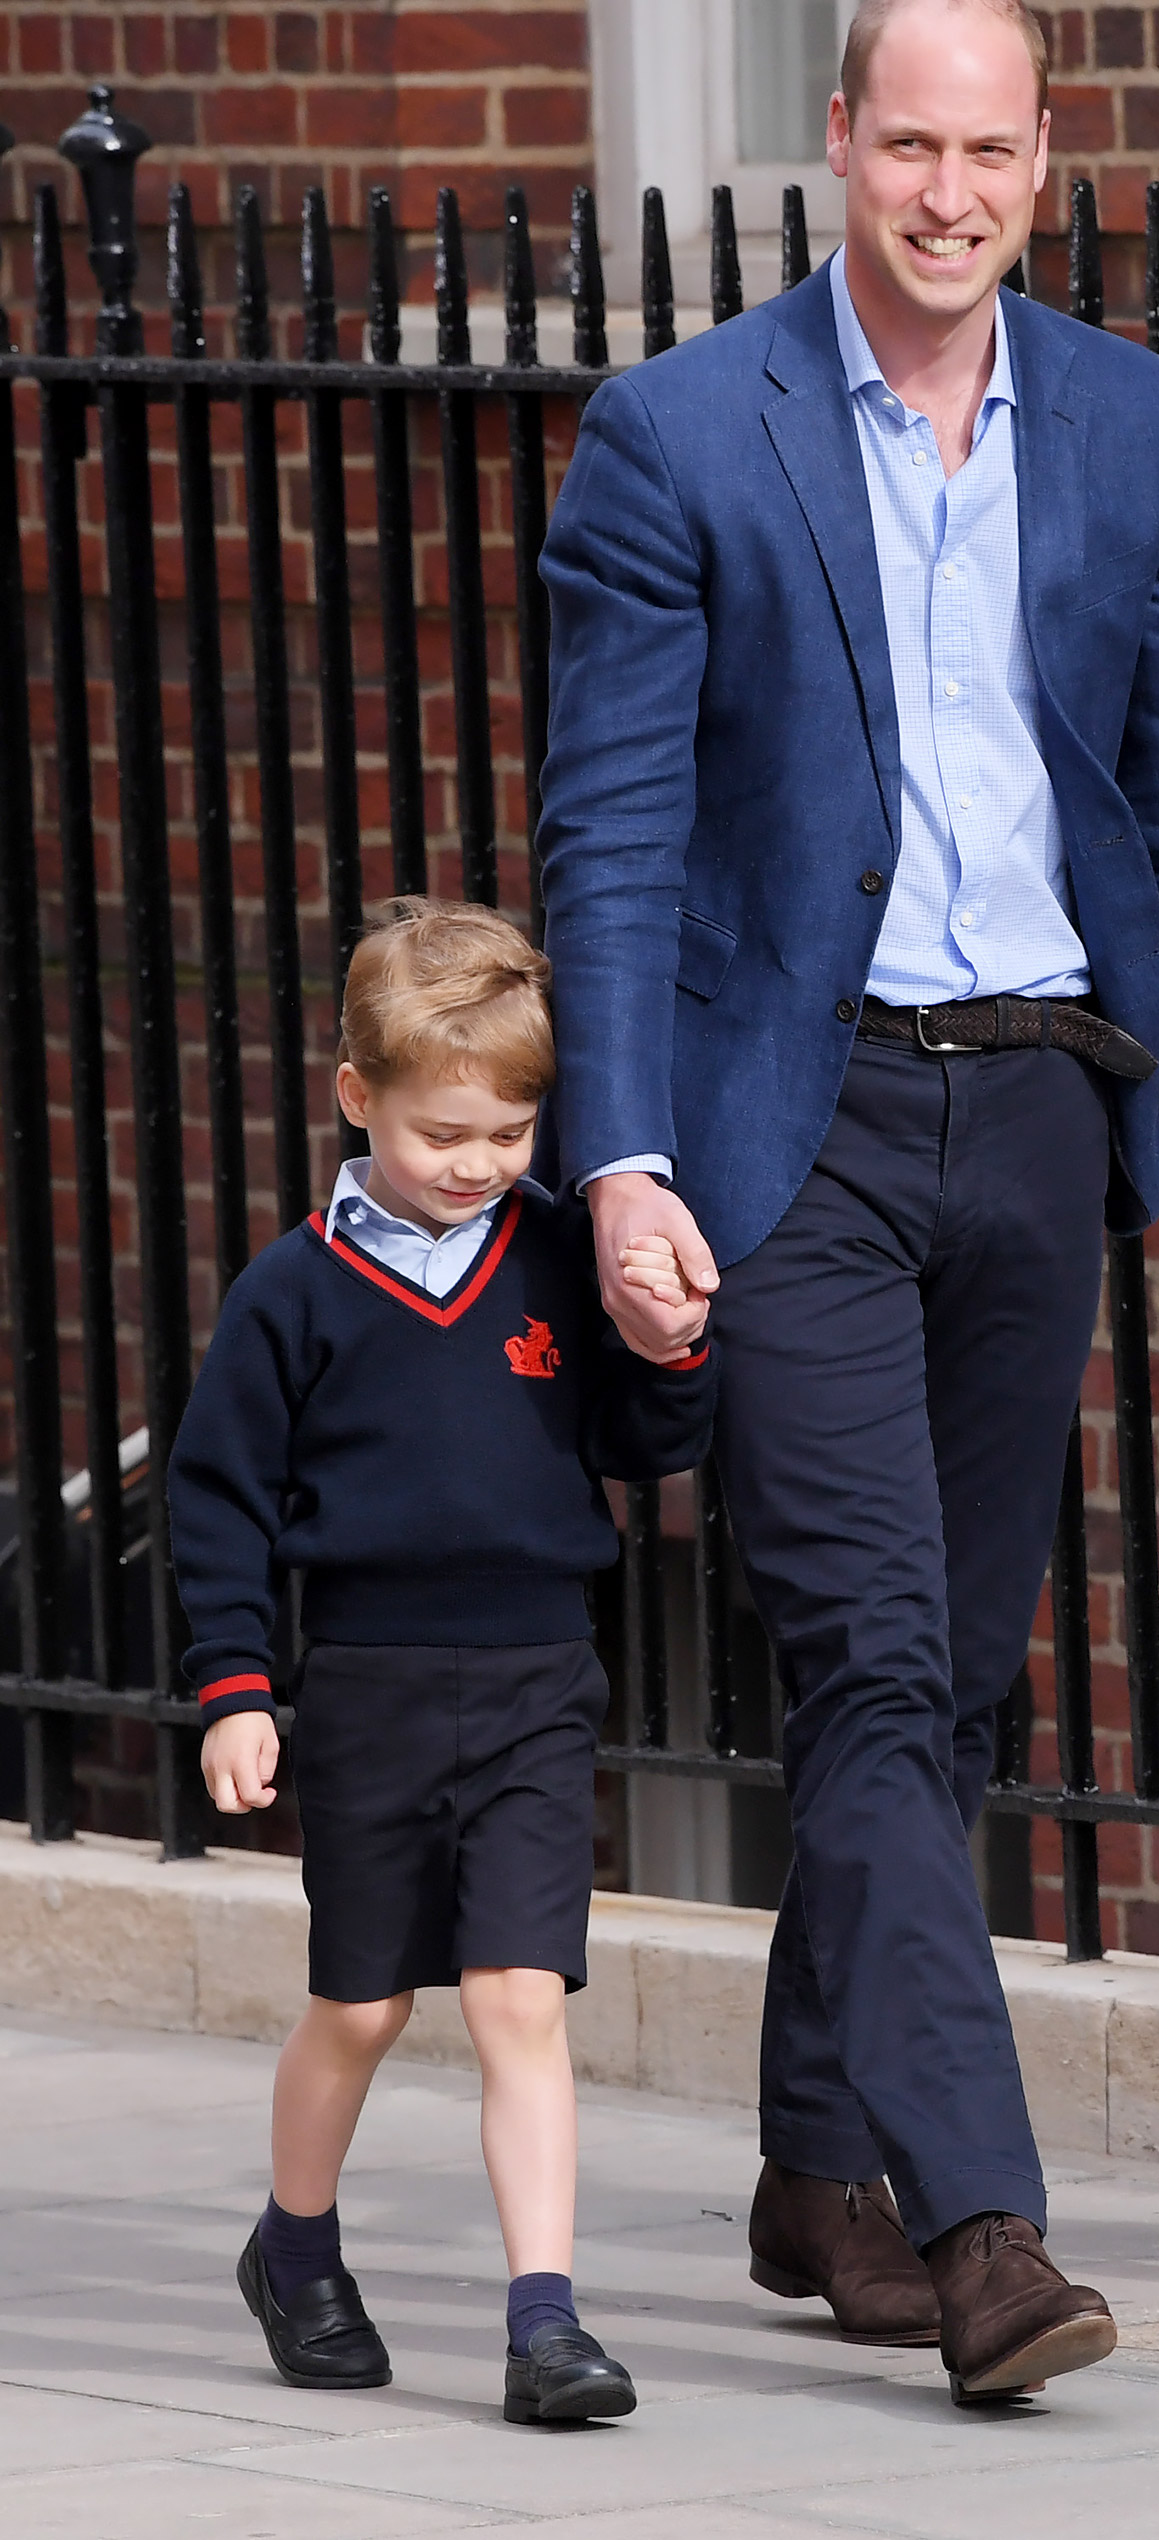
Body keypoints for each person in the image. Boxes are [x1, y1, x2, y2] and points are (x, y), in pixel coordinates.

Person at [538, 0, 1159, 2406]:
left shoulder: (1135, 428)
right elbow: (621, 828)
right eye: (911, 149)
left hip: (1041, 1110)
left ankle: (808, 2157)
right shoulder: (680, 436)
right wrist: (626, 1160)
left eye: (992, 154)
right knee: (874, 1654)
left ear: (1043, 155)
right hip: (798, 1132)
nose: (951, 195)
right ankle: (978, 2228)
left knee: (953, 1680)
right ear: (840, 143)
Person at [167, 899, 716, 2423]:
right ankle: (296, 2250)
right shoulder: (294, 1291)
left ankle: (545, 2321)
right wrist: (233, 1687)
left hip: (542, 1677)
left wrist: (672, 1353)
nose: (479, 1160)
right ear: (358, 1098)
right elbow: (218, 1503)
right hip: (368, 1686)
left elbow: (643, 1441)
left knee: (518, 1998)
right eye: (442, 1131)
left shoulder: (558, 1254)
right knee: (362, 2006)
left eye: (511, 1128)